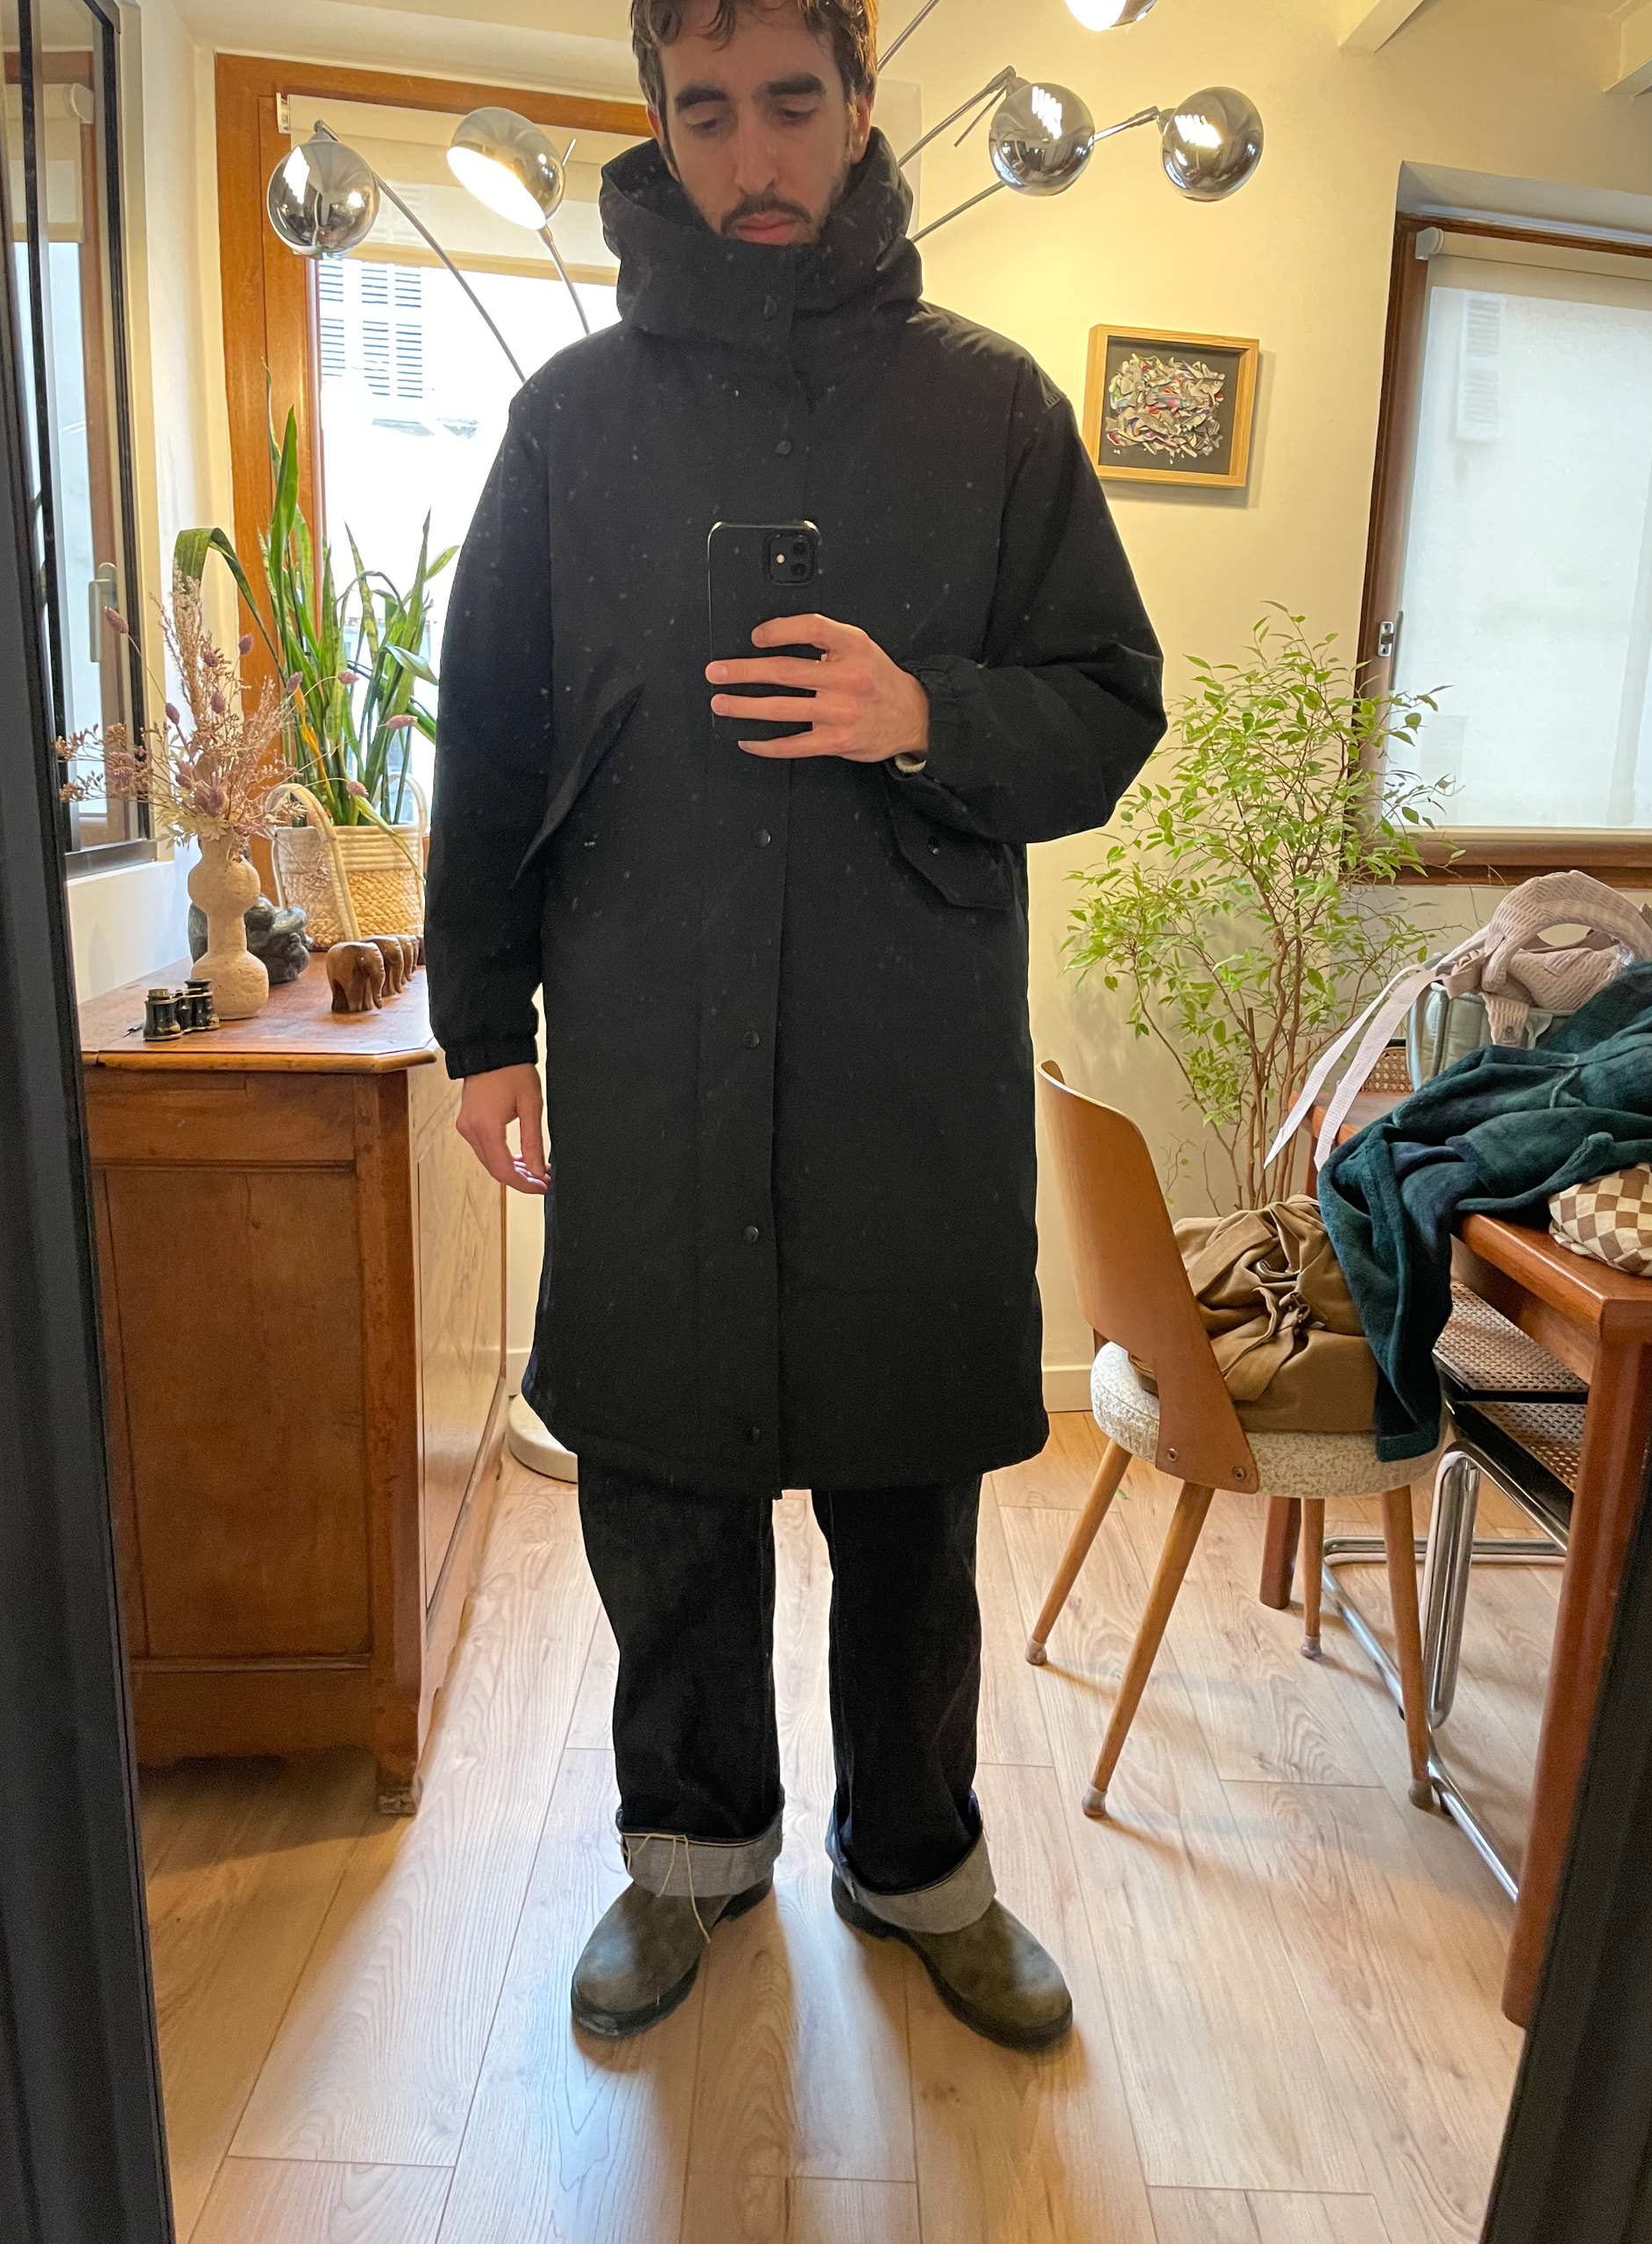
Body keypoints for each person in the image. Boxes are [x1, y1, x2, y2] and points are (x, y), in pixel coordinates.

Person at [426, 0, 1166, 2051]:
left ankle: (917, 1862)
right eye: (707, 110)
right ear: (659, 123)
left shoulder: (992, 411)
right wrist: (483, 1024)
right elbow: (489, 742)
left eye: (791, 103)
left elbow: (1110, 707)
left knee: (913, 1498)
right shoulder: (570, 425)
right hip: (646, 1050)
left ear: (858, 104)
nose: (752, 154)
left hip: (899, 1068)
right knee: (661, 1485)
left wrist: (925, 709)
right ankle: (689, 1850)